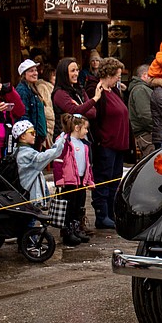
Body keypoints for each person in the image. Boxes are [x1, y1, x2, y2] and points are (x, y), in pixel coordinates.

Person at [87, 56, 129, 230]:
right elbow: (94, 118)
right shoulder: (95, 90)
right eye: (117, 75)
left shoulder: (114, 91)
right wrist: (100, 139)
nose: (119, 78)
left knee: (115, 180)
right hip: (106, 144)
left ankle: (111, 214)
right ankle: (102, 215)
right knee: (103, 179)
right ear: (109, 74)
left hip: (118, 144)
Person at [51, 113, 94, 247]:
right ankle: (67, 231)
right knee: (68, 207)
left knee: (79, 205)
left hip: (80, 180)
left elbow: (88, 164)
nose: (86, 131)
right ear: (77, 128)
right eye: (85, 129)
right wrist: (59, 179)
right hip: (68, 181)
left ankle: (77, 228)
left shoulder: (84, 145)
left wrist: (89, 180)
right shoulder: (64, 142)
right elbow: (58, 162)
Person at [51, 57, 98, 137]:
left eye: (77, 70)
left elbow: (93, 112)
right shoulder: (59, 94)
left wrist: (81, 108)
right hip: (66, 139)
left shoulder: (79, 89)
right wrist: (95, 99)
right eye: (73, 71)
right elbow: (75, 111)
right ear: (64, 73)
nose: (76, 73)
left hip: (82, 135)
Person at [15, 59, 49, 149]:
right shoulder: (22, 90)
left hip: (38, 136)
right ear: (23, 74)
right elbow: (23, 115)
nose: (35, 73)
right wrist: (30, 134)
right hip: (30, 138)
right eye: (31, 71)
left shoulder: (33, 88)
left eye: (35, 70)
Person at [128, 65, 156, 160]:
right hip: (146, 135)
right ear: (145, 75)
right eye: (152, 75)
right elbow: (145, 115)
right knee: (152, 163)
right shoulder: (140, 90)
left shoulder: (143, 89)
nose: (155, 78)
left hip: (148, 134)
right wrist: (156, 128)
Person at [36, 62, 57, 141]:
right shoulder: (43, 87)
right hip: (49, 125)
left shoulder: (54, 87)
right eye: (54, 75)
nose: (56, 77)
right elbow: (45, 107)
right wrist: (54, 116)